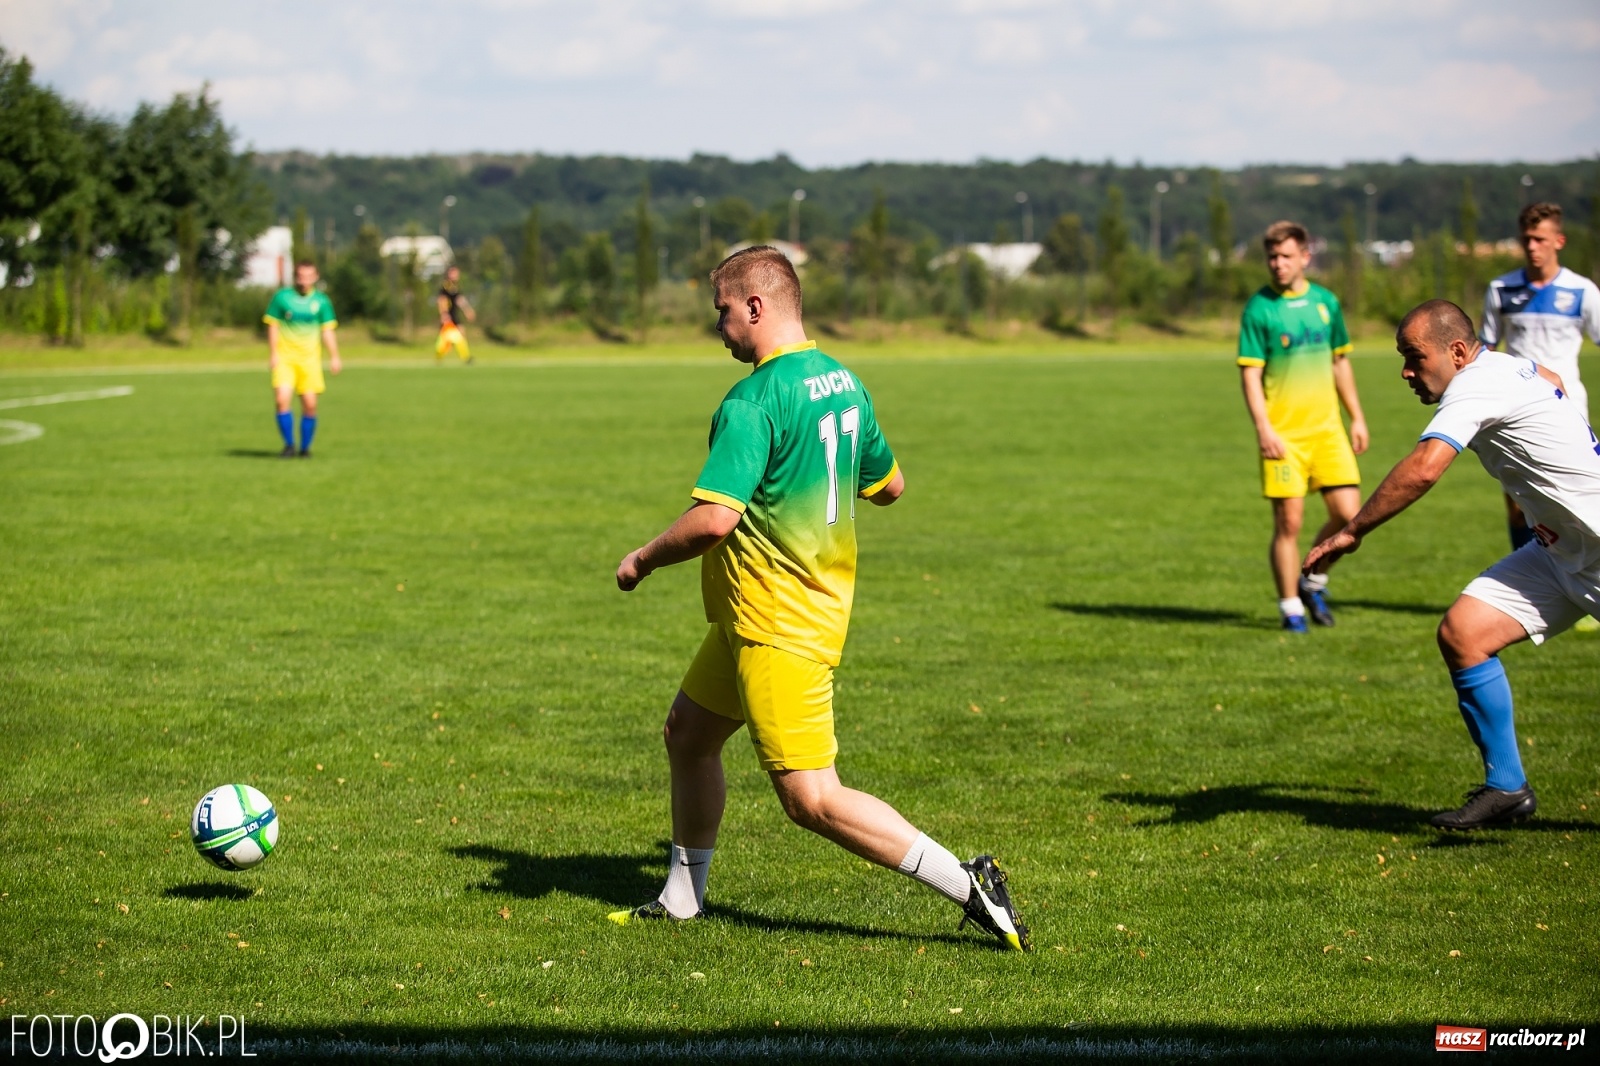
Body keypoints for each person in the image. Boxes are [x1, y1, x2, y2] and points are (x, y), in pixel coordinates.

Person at [609, 246, 1029, 950]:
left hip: (779, 622)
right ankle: (682, 898)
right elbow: (889, 486)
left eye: (721, 311)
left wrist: (643, 559)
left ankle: (969, 882)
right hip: (765, 612)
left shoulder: (752, 399)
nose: (717, 326)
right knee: (688, 735)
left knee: (811, 799)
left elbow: (715, 519)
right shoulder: (841, 379)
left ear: (756, 306)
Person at [1304, 300, 1600, 830]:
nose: (1406, 372)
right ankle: (1507, 787)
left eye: (1415, 358)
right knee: (1464, 633)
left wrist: (1352, 530)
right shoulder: (1505, 367)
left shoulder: (1475, 385)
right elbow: (1550, 375)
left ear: (1458, 352)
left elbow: (1424, 468)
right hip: (1558, 552)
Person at [1237, 221, 1370, 631]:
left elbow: (1339, 363)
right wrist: (1263, 428)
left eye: (1286, 257)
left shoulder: (1326, 303)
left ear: (1305, 257)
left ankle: (1312, 579)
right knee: (1288, 524)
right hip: (1284, 436)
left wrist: (1357, 416)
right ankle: (1291, 608)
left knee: (1352, 518)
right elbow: (1250, 375)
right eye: (1272, 257)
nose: (1277, 265)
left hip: (1327, 432)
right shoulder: (1259, 308)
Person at [1481, 201, 1600, 551]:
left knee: (1575, 503)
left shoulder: (1583, 292)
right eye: (1526, 239)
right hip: (1514, 411)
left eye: (1540, 239)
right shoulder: (1501, 289)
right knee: (1518, 504)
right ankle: (1527, 585)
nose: (1532, 247)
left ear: (1558, 241)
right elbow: (1485, 352)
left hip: (1569, 412)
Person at [264, 261, 341, 458]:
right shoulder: (282, 298)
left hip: (310, 362)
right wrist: (273, 353)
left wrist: (334, 356)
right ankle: (289, 445)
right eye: (300, 276)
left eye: (308, 276)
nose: (304, 280)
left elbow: (328, 330)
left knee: (310, 405)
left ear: (316, 277)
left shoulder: (322, 302)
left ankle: (305, 448)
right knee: (282, 401)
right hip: (285, 359)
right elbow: (273, 326)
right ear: (295, 277)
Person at [435, 265, 475, 364]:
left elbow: (459, 300)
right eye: (454, 273)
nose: (456, 275)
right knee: (446, 338)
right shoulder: (446, 286)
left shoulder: (455, 287)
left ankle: (465, 357)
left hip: (454, 315)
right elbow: (441, 300)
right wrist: (444, 314)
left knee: (460, 333)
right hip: (448, 316)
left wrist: (467, 310)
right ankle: (439, 355)